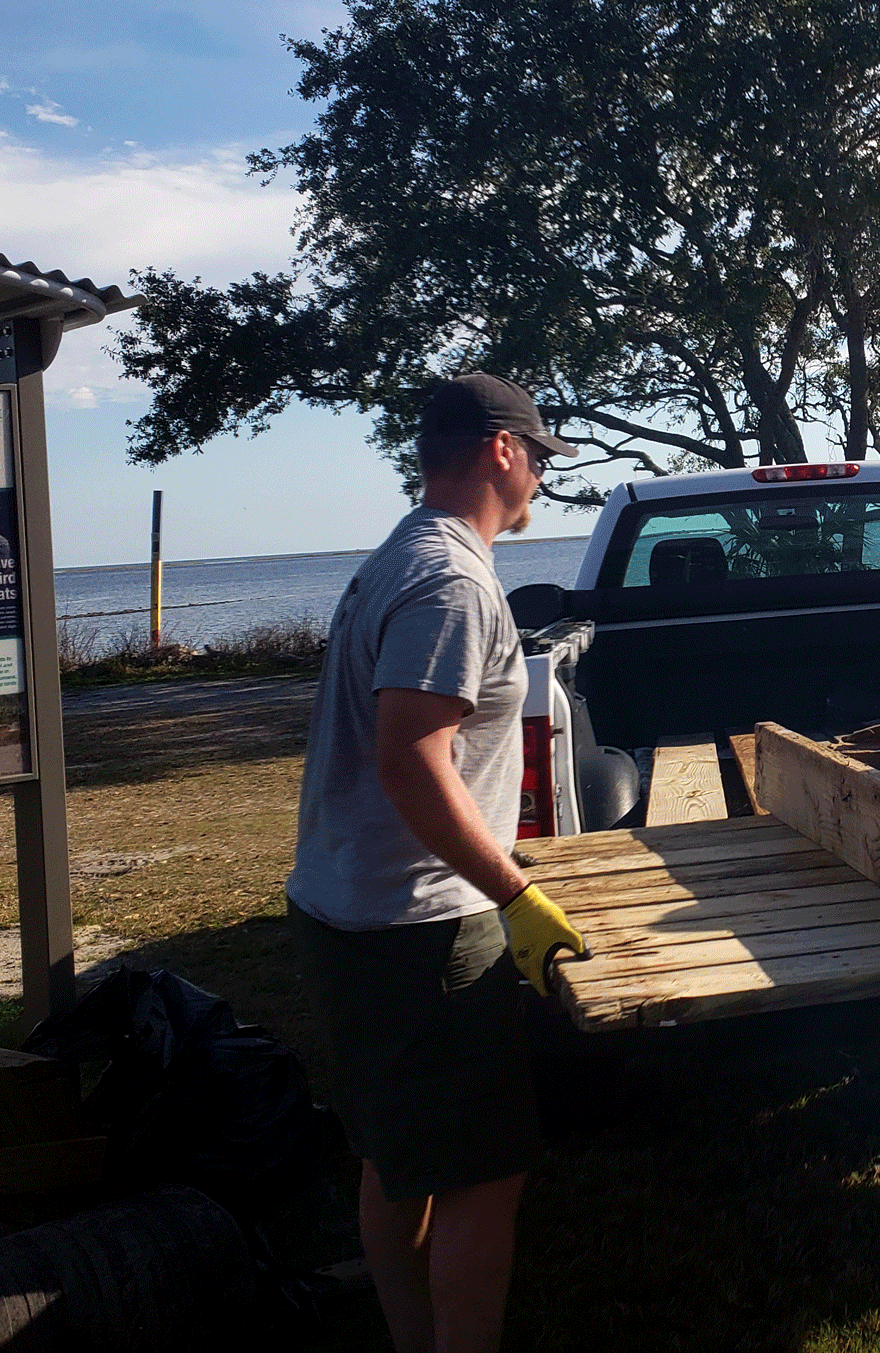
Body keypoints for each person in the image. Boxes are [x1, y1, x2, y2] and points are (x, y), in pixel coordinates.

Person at [285, 373, 589, 1353]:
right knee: (481, 1176)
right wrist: (516, 895)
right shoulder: (452, 579)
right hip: (419, 930)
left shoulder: (402, 554)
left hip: (349, 909)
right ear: (501, 449)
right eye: (538, 456)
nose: (541, 477)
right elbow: (411, 760)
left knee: (398, 1157)